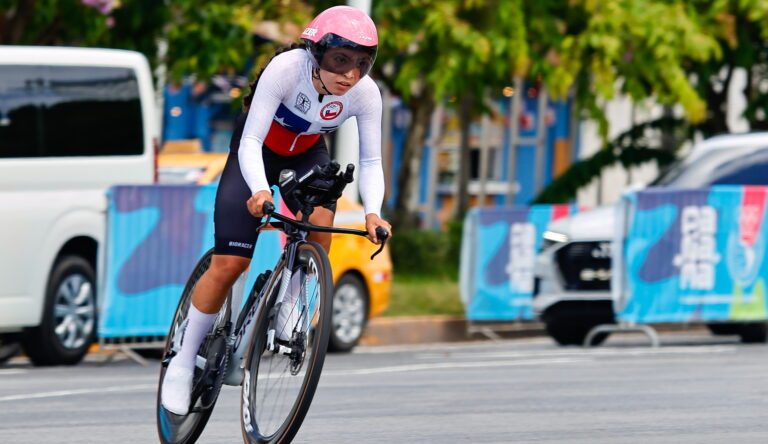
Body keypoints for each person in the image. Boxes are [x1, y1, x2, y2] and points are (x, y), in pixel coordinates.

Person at [161, 5, 392, 416]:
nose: (351, 75)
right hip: (256, 152)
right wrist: (259, 190)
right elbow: (250, 141)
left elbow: (372, 162)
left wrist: (373, 212)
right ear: (316, 53)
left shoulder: (365, 93)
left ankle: (290, 304)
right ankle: (182, 361)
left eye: (362, 64)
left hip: (306, 155)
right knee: (230, 263)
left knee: (321, 226)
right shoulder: (287, 69)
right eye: (341, 60)